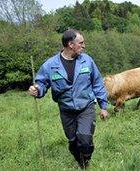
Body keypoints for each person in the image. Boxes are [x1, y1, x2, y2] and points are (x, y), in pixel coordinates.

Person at [28, 28, 108, 168]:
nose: (84, 46)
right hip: (66, 110)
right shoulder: (50, 65)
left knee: (85, 139)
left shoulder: (87, 61)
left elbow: (97, 83)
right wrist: (37, 90)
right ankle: (79, 160)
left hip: (86, 107)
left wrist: (103, 106)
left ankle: (86, 161)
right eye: (81, 43)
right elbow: (41, 83)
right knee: (72, 141)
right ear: (71, 44)